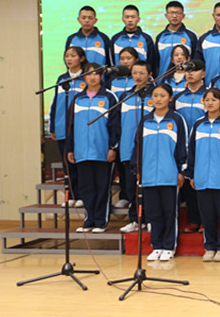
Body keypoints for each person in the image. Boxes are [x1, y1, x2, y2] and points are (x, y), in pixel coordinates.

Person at [132, 83, 188, 262]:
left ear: (170, 98)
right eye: (155, 95)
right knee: (153, 212)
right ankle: (157, 246)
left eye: (162, 96)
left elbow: (183, 146)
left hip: (169, 174)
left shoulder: (177, 120)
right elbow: (138, 147)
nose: (158, 99)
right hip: (149, 175)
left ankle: (169, 246)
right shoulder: (145, 121)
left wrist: (181, 170)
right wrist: (138, 169)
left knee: (169, 212)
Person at [185, 87, 220, 262]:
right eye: (207, 100)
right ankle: (209, 247)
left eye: (214, 100)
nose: (210, 103)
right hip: (202, 178)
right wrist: (191, 174)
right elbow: (191, 151)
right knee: (207, 216)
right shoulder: (198, 125)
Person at [66, 62, 120, 232]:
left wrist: (113, 147)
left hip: (102, 151)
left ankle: (101, 221)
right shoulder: (77, 99)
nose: (93, 77)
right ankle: (89, 219)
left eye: (96, 73)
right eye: (89, 74)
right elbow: (70, 126)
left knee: (102, 187)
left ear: (101, 76)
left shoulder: (109, 97)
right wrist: (70, 148)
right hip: (82, 152)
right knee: (86, 187)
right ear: (84, 77)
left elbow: (115, 125)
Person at [115, 61, 153, 232]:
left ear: (150, 75)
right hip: (128, 149)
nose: (138, 76)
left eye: (142, 73)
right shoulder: (125, 96)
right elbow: (118, 123)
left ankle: (150, 219)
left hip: (149, 150)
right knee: (132, 188)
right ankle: (135, 220)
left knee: (149, 188)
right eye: (135, 73)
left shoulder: (155, 96)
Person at [49, 46, 87, 207]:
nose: (69, 59)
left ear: (82, 58)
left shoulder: (87, 78)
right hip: (62, 127)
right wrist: (52, 126)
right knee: (67, 165)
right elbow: (55, 104)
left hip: (80, 129)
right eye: (67, 56)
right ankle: (71, 195)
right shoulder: (62, 79)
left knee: (80, 164)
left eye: (73, 56)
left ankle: (82, 196)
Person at [172, 59, 207, 233]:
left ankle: (206, 220)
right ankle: (194, 220)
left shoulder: (209, 96)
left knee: (203, 183)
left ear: (204, 74)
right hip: (184, 145)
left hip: (204, 144)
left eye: (195, 70)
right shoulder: (178, 98)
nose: (190, 73)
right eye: (188, 70)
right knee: (188, 181)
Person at [112, 4, 159, 76]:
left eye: (133, 17)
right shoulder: (115, 39)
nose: (130, 20)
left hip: (141, 80)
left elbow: (152, 63)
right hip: (119, 80)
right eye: (127, 17)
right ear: (123, 19)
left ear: (139, 19)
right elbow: (111, 62)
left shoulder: (147, 39)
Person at [156, 0, 198, 70]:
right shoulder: (160, 37)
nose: (174, 16)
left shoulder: (191, 36)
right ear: (166, 15)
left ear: (183, 16)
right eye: (171, 13)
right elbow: (155, 62)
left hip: (185, 76)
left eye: (178, 13)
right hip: (164, 76)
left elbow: (195, 60)